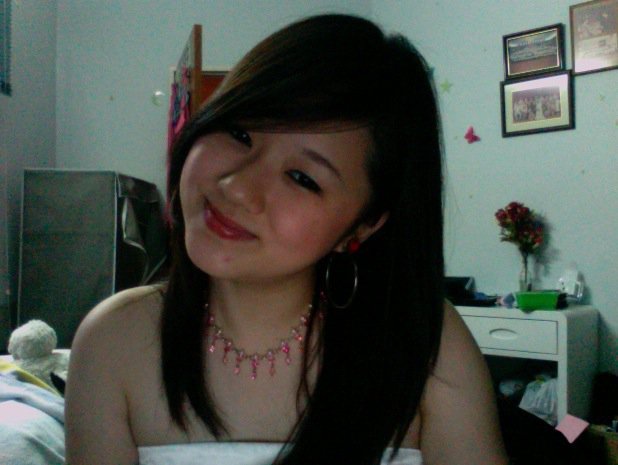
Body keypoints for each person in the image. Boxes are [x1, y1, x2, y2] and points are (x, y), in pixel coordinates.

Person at [65, 14, 508, 465]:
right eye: (239, 133)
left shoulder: (427, 347)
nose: (238, 187)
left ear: (364, 225)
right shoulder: (112, 343)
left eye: (302, 178)